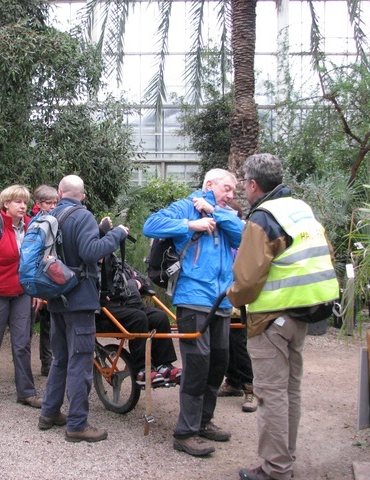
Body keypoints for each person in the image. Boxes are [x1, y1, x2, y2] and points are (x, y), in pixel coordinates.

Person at [227, 153, 339, 480]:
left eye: (243, 184)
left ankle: (275, 469)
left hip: (271, 319)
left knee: (270, 393)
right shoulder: (300, 209)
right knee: (290, 389)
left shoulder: (263, 218)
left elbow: (247, 280)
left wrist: (233, 298)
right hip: (304, 312)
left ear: (252, 184)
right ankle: (285, 457)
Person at [143, 168, 243, 457]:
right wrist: (191, 224)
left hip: (222, 301)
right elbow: (151, 225)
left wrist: (216, 211)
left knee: (218, 363)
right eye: (227, 189)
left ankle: (204, 421)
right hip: (194, 298)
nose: (231, 195)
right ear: (210, 184)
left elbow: (244, 237)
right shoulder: (187, 205)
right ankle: (185, 432)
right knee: (198, 365)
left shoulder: (224, 213)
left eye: (235, 191)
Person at [38, 174, 128, 443]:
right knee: (80, 361)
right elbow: (90, 253)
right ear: (83, 196)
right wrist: (116, 234)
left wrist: (99, 233)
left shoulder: (52, 216)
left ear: (60, 192)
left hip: (56, 298)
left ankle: (49, 413)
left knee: (60, 359)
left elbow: (71, 251)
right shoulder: (82, 216)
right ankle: (77, 424)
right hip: (79, 299)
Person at [0, 185, 43, 408]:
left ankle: (26, 392)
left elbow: (34, 262)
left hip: (22, 293)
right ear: (6, 204)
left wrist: (36, 291)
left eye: (25, 202)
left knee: (22, 343)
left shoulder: (31, 228)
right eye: (17, 202)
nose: (23, 206)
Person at [96, 252, 181, 386]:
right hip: (108, 310)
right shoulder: (91, 267)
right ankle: (142, 369)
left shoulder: (118, 263)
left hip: (133, 305)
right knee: (139, 318)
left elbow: (146, 280)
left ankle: (164, 365)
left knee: (160, 317)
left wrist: (137, 282)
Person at [218, 201, 257, 413]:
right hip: (222, 297)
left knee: (239, 343)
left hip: (238, 297)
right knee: (226, 342)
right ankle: (233, 380)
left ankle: (250, 387)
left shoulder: (242, 233)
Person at [31, 185, 59, 376]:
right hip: (36, 279)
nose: (52, 206)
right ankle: (24, 366)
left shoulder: (56, 220)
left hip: (51, 278)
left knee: (49, 324)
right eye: (48, 203)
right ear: (39, 204)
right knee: (28, 325)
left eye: (55, 202)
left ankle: (47, 363)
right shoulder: (33, 222)